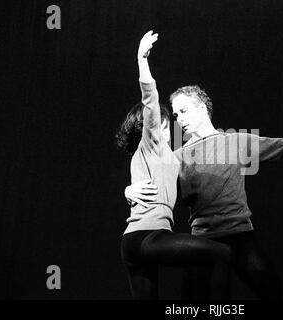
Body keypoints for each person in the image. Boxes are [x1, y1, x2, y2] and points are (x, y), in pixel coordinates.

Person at [128, 83, 283, 300]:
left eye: (184, 111)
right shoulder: (176, 157)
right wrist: (129, 190)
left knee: (272, 291)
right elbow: (150, 177)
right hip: (202, 238)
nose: (179, 119)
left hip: (240, 237)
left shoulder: (238, 142)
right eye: (176, 113)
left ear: (202, 108)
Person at [115, 31, 232, 300]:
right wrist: (142, 61)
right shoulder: (153, 145)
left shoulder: (158, 157)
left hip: (132, 242)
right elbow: (150, 102)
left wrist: (127, 191)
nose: (171, 129)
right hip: (147, 236)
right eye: (168, 124)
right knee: (221, 254)